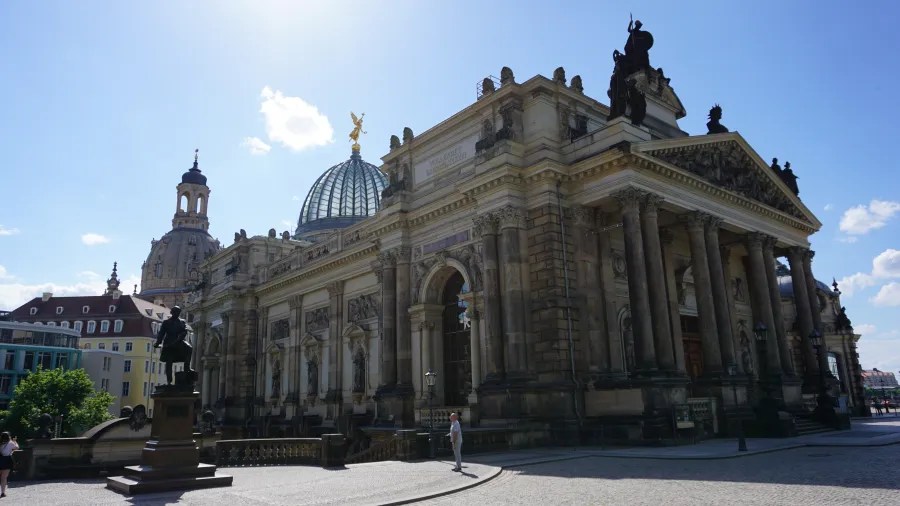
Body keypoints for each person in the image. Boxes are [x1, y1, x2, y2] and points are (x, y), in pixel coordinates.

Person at [154, 305, 194, 385]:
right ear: (172, 312)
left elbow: (184, 331)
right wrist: (158, 342)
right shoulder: (166, 322)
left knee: (189, 348)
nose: (177, 313)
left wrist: (181, 336)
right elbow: (161, 333)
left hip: (179, 341)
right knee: (169, 362)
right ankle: (169, 381)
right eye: (175, 312)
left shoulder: (182, 322)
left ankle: (187, 369)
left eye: (178, 312)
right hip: (169, 342)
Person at [0, 432, 19, 498]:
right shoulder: (10, 443)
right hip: (7, 460)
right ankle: (2, 492)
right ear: (9, 436)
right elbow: (16, 447)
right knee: (4, 478)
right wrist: (15, 441)